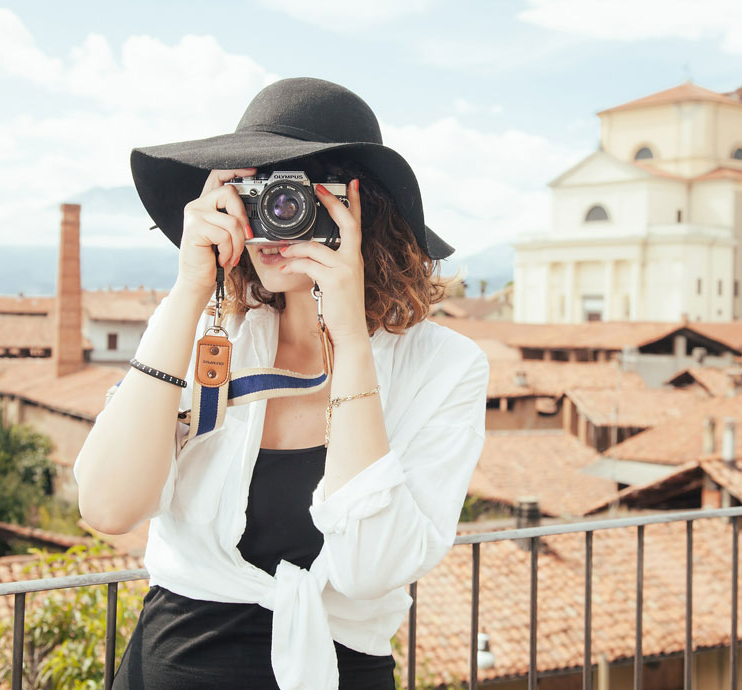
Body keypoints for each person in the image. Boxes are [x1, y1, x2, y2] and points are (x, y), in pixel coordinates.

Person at [73, 77, 489, 690]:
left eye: (295, 191)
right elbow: (108, 507)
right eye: (254, 189)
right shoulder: (204, 330)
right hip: (174, 665)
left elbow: (371, 568)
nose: (275, 213)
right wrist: (190, 288)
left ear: (359, 206)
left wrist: (349, 340)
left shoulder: (446, 368)